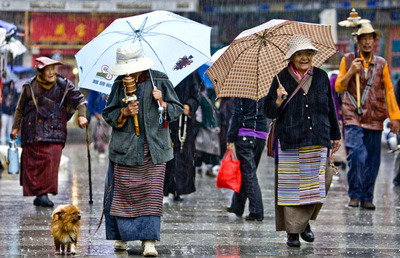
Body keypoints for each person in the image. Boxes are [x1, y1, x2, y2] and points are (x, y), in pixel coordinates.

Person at [102, 43, 183, 256]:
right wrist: (124, 112)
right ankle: (121, 237)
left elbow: (177, 109)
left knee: (152, 195)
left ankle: (149, 241)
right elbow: (108, 113)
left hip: (154, 150)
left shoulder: (160, 80)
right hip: (125, 150)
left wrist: (163, 103)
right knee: (122, 195)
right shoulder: (119, 84)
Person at [264, 35, 341, 247]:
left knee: (319, 184)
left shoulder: (322, 76)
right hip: (290, 139)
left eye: (308, 53)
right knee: (291, 189)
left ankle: (304, 222)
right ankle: (292, 232)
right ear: (292, 57)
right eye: (300, 54)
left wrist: (336, 134)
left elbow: (330, 108)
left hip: (318, 137)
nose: (305, 57)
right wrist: (278, 99)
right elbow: (268, 111)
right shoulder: (280, 78)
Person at [335, 23, 400, 209]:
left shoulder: (381, 63)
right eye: (364, 38)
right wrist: (351, 72)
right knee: (357, 155)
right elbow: (339, 86)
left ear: (374, 41)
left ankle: (367, 196)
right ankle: (354, 193)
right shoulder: (348, 60)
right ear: (358, 41)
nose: (367, 42)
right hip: (353, 115)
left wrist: (395, 117)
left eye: (370, 38)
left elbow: (388, 91)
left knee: (373, 160)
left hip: (375, 116)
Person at [10, 56, 88, 207]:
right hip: (32, 131)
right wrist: (15, 127)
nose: (52, 72)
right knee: (33, 165)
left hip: (55, 131)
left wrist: (82, 116)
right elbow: (20, 108)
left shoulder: (64, 85)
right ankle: (40, 194)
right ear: (40, 71)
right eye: (48, 69)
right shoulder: (29, 86)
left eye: (54, 68)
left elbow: (80, 100)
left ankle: (44, 192)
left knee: (51, 162)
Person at [226, 97, 267, 221]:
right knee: (247, 171)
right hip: (261, 135)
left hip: (245, 133)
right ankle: (237, 205)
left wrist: (230, 137)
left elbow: (237, 114)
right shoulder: (265, 89)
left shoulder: (242, 88)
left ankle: (257, 211)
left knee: (249, 174)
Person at [164, 71, 200, 201]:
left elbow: (196, 95)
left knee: (182, 155)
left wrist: (189, 106)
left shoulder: (190, 72)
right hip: (166, 120)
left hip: (184, 123)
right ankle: (165, 188)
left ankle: (178, 188)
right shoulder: (163, 73)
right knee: (166, 156)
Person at [194, 85, 221, 177]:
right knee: (205, 146)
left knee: (204, 146)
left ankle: (204, 166)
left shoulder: (206, 94)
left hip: (206, 125)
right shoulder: (205, 95)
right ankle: (206, 165)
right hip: (206, 125)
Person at [86, 90, 110, 156]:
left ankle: (105, 143)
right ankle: (93, 142)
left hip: (105, 116)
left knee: (107, 128)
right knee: (94, 124)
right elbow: (89, 106)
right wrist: (96, 114)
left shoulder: (108, 93)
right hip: (95, 115)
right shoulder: (93, 93)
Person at [1, 80, 19, 145]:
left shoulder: (14, 91)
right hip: (5, 113)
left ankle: (9, 140)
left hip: (10, 113)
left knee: (9, 128)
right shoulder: (4, 91)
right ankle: (3, 140)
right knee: (4, 127)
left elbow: (15, 101)